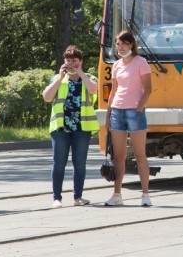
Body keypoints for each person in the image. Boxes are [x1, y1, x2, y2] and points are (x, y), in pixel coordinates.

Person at [42, 45, 99, 208]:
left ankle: (78, 196)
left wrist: (80, 73)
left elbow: (93, 90)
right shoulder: (58, 78)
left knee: (79, 163)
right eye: (68, 60)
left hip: (82, 127)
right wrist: (60, 78)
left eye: (75, 60)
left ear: (81, 61)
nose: (71, 64)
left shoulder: (89, 77)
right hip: (61, 128)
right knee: (59, 162)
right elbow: (47, 97)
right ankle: (57, 198)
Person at [106, 29, 153, 207]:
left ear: (131, 44)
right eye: (118, 44)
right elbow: (113, 90)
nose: (120, 47)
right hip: (118, 110)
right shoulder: (117, 65)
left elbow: (148, 89)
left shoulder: (141, 62)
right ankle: (117, 194)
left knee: (140, 155)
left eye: (123, 43)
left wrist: (139, 107)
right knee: (118, 156)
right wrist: (109, 114)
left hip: (134, 111)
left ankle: (145, 194)